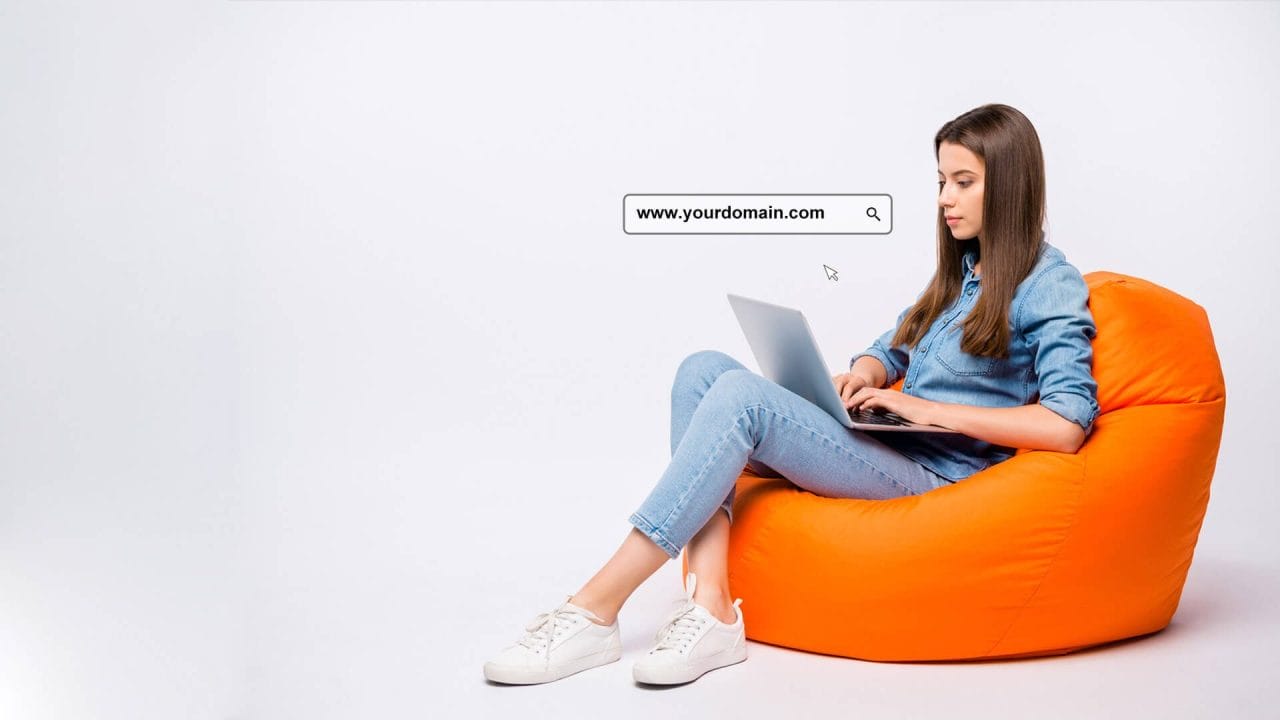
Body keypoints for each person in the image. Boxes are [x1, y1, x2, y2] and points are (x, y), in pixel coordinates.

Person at [482, 103, 1100, 686]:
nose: (944, 199)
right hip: (891, 445)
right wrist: (864, 375)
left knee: (742, 400)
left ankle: (594, 610)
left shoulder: (1050, 284)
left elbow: (1067, 424)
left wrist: (924, 408)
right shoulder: (966, 272)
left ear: (1012, 185)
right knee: (701, 370)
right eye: (940, 180)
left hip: (937, 478)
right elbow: (894, 346)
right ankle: (712, 606)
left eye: (963, 182)